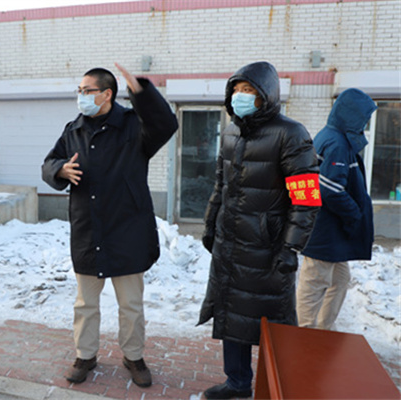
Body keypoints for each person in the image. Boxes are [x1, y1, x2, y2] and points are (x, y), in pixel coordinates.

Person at [41, 64, 178, 387]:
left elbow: (166, 124)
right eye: (79, 91)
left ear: (107, 94)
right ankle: (85, 355)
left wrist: (141, 92)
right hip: (88, 230)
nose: (81, 96)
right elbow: (49, 163)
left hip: (127, 230)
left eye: (87, 91)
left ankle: (133, 356)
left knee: (130, 305)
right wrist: (60, 170)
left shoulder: (134, 125)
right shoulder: (74, 129)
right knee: (85, 304)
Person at [198, 61, 321, 400]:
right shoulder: (230, 132)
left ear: (267, 94)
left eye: (249, 90)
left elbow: (306, 199)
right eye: (236, 89)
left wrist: (291, 247)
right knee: (231, 313)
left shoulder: (291, 134)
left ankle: (280, 385)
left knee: (273, 321)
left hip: (267, 247)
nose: (240, 96)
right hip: (230, 242)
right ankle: (237, 382)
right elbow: (220, 184)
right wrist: (210, 224)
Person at [297, 89, 377, 331]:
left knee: (340, 280)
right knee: (315, 282)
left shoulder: (332, 136)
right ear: (351, 115)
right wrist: (355, 214)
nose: (365, 122)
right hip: (325, 231)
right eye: (364, 117)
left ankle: (324, 329)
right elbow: (330, 190)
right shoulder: (337, 143)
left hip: (332, 232)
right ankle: (304, 333)